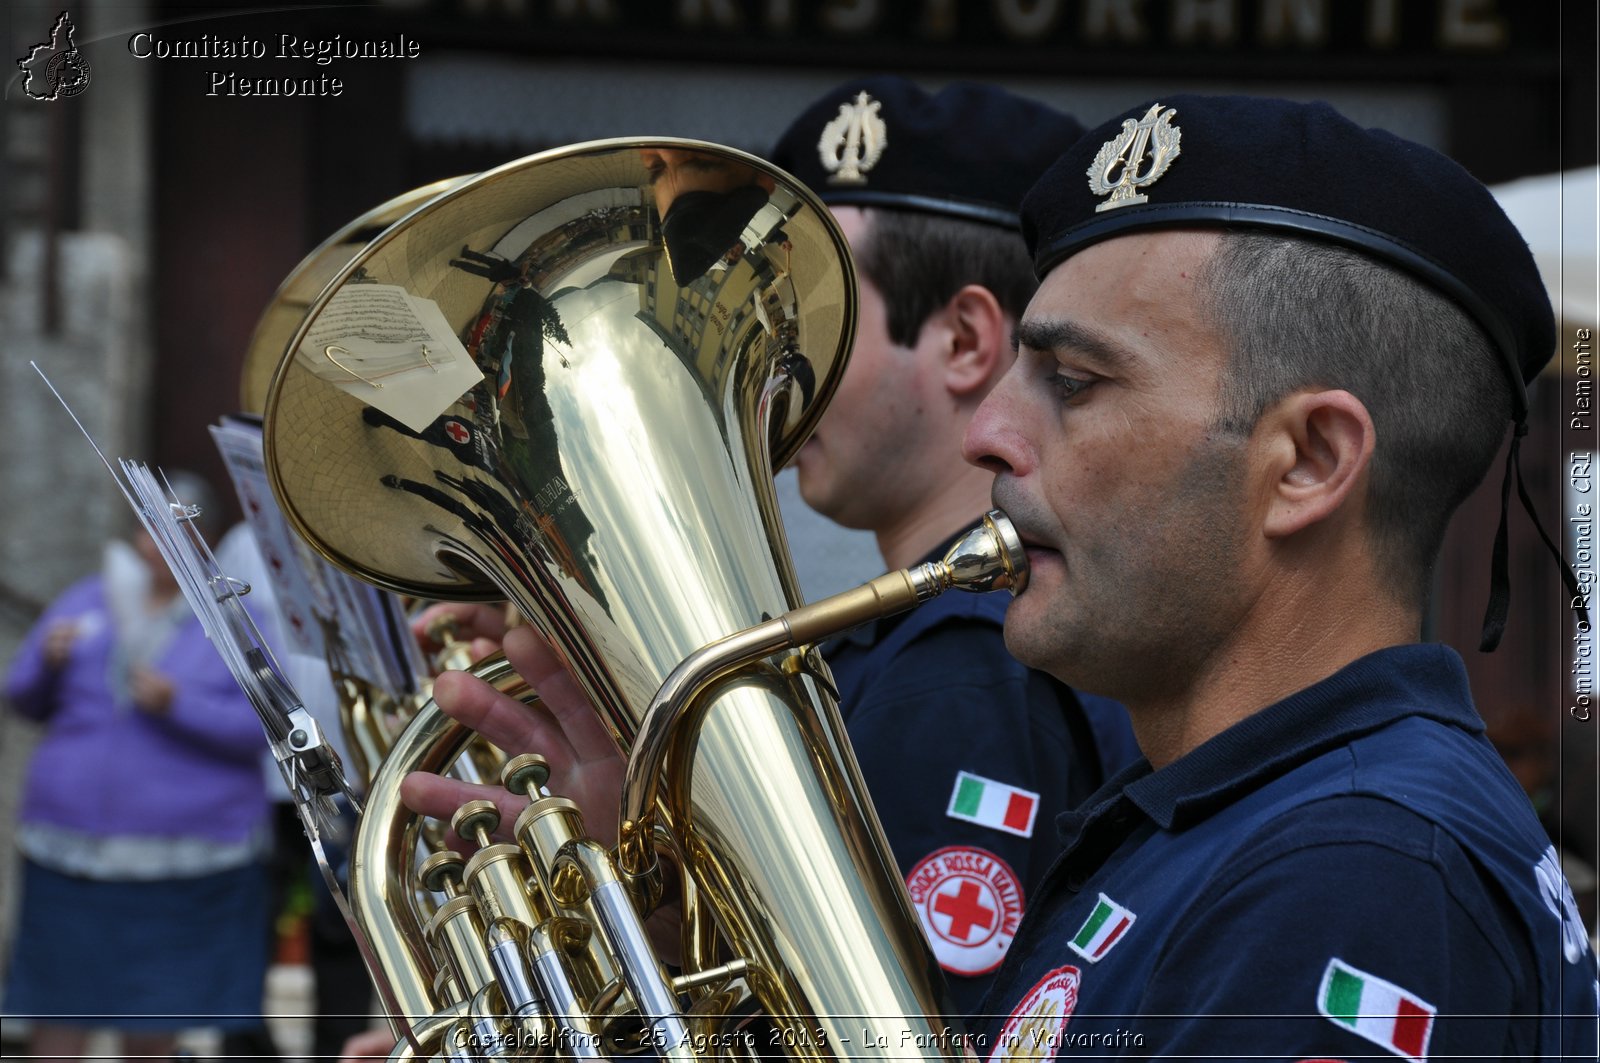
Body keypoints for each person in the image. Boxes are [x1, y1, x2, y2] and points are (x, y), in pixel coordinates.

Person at [401, 93, 1598, 1059]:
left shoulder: (1355, 880)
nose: (987, 437)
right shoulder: (1227, 814)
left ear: (1310, 463)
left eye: (1072, 385)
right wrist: (682, 932)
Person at [766, 76, 1134, 1006]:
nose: (771, 366)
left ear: (967, 339)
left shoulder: (964, 666)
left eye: (809, 318)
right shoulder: (948, 639)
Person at [2, 476, 275, 1063]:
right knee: (56, 1007)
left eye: (173, 525)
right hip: (68, 853)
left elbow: (266, 727)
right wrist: (47, 662)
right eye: (145, 526)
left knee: (154, 1018)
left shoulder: (236, 616)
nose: (155, 542)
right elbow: (21, 696)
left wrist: (178, 705)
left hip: (183, 863)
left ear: (204, 537)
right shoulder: (87, 597)